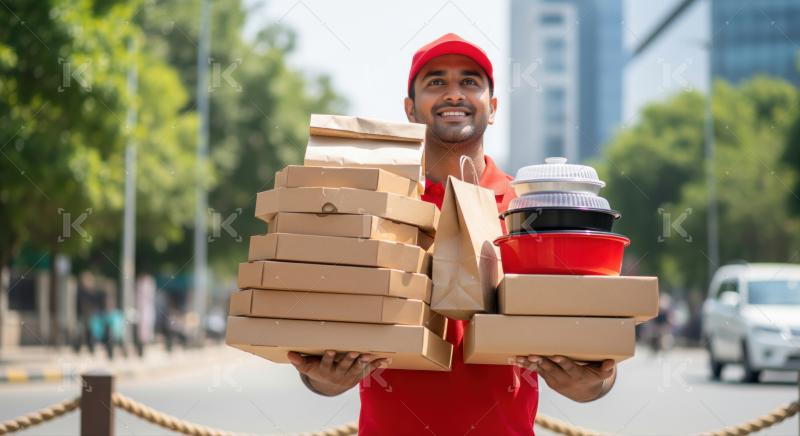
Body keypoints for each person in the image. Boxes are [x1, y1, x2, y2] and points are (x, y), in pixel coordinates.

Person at [287, 33, 618, 434]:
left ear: (492, 108)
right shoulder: (374, 205)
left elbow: (593, 352)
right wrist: (324, 378)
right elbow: (323, 339)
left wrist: (590, 383)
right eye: (436, 82)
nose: (454, 94)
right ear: (410, 109)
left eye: (470, 82)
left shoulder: (528, 210)